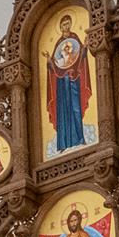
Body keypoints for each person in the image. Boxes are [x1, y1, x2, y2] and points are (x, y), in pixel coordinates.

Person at [44, 12, 94, 154]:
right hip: (61, 83)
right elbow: (55, 65)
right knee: (62, 111)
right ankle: (63, 144)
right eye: (63, 24)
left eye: (68, 24)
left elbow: (80, 57)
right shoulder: (58, 44)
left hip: (74, 80)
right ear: (60, 27)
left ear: (71, 24)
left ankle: (80, 138)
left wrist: (85, 47)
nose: (66, 26)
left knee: (76, 108)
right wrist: (49, 61)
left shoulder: (74, 38)